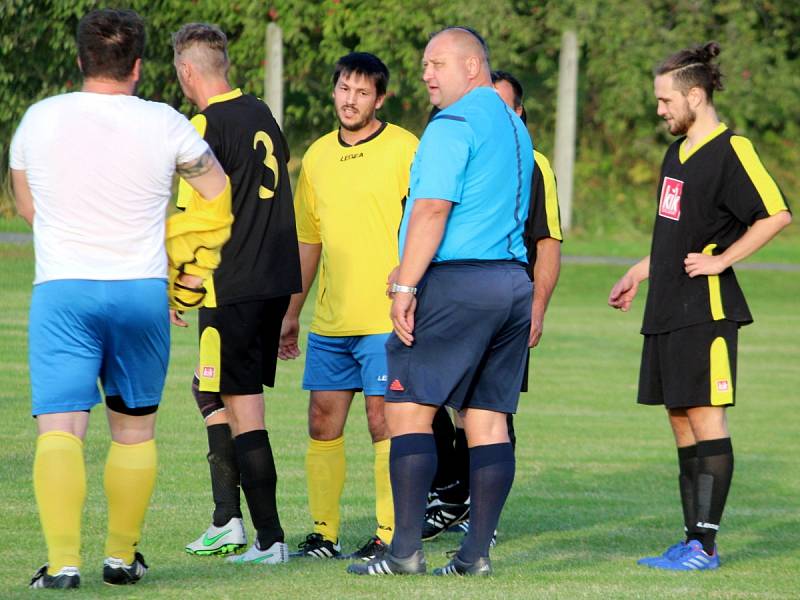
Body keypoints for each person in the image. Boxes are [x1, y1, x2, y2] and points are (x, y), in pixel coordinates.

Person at [9, 8, 232, 589]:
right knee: (133, 429)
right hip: (140, 291)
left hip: (64, 290)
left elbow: (29, 208)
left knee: (60, 430)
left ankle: (62, 564)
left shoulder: (39, 119)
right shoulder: (165, 122)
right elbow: (216, 190)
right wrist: (188, 266)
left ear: (81, 60)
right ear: (137, 65)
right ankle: (119, 556)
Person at [348, 26, 534, 577]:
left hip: (456, 285)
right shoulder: (513, 127)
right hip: (509, 283)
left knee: (407, 412)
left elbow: (432, 209)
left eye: (437, 63)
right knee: (487, 421)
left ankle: (403, 552)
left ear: (473, 66)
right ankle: (474, 556)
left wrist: (406, 285)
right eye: (425, 64)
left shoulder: (452, 124)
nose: (426, 73)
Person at [608, 42, 791, 571]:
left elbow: (776, 214)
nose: (659, 110)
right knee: (681, 420)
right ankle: (692, 540)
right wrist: (639, 271)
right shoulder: (677, 152)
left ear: (695, 95)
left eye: (666, 100)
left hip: (706, 310)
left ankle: (705, 548)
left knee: (706, 418)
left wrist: (722, 261)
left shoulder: (734, 149)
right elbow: (674, 232)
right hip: (667, 307)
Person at [278, 52, 418, 561]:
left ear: (379, 99)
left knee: (384, 424)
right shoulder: (315, 157)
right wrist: (293, 312)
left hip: (388, 319)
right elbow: (307, 242)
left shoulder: (406, 149)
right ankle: (323, 534)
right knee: (321, 422)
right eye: (343, 89)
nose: (350, 100)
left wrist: (415, 286)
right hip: (331, 322)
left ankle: (387, 533)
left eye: (362, 92)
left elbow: (429, 224)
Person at [171, 23, 301, 565]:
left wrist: (185, 284)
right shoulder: (260, 112)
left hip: (234, 285)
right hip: (271, 280)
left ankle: (269, 539)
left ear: (186, 71)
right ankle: (227, 519)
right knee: (210, 390)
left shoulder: (203, 124)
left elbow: (199, 213)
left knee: (246, 408)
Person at [423, 69, 563, 542]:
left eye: (504, 106)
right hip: (448, 295)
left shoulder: (533, 162)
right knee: (430, 401)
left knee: (489, 411)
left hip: (500, 298)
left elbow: (548, 242)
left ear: (519, 114)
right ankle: (451, 496)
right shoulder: (456, 141)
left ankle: (483, 518)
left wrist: (538, 306)